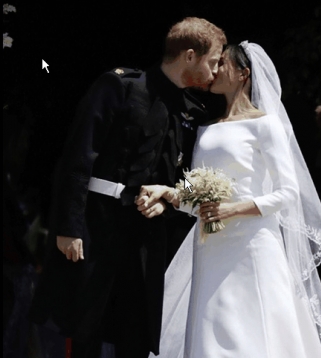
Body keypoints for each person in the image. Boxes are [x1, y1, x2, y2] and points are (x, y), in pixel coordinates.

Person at [28, 17, 226, 358]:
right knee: (85, 327)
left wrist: (166, 202)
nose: (214, 72)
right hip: (96, 224)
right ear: (190, 55)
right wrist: (67, 226)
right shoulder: (120, 86)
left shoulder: (190, 112)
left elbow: (183, 176)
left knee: (135, 330)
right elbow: (78, 156)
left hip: (146, 235)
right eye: (212, 62)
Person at [137, 42, 321, 357]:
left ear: (243, 74)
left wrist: (233, 209)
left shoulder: (264, 125)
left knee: (254, 331)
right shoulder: (206, 129)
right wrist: (168, 192)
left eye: (223, 65)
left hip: (252, 243)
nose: (214, 71)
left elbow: (287, 192)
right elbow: (195, 195)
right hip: (210, 245)